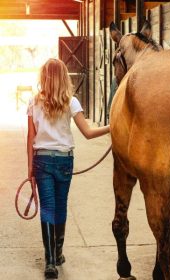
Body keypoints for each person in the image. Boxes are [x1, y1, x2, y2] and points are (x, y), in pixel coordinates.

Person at [27, 58, 110, 279]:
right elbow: (88, 133)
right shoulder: (71, 102)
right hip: (64, 160)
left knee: (47, 208)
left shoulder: (33, 103)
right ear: (64, 77)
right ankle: (58, 252)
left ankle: (50, 262)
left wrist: (29, 170)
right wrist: (113, 127)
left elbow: (30, 139)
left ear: (44, 77)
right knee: (60, 206)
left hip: (41, 161)